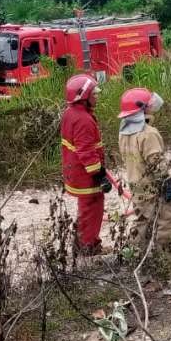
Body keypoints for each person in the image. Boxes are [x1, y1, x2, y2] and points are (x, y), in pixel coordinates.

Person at [117, 88, 171, 251]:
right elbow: (157, 165)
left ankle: (134, 254)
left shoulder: (124, 132)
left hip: (136, 186)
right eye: (149, 105)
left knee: (142, 221)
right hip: (154, 187)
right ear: (142, 110)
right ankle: (165, 258)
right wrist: (168, 184)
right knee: (165, 220)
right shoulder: (148, 134)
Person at [60, 74, 110, 256]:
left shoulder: (71, 113)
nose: (96, 96)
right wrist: (99, 174)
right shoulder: (83, 120)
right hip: (86, 177)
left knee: (86, 210)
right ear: (83, 96)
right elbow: (86, 151)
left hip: (76, 172)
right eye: (93, 94)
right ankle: (88, 248)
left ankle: (86, 242)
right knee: (92, 210)